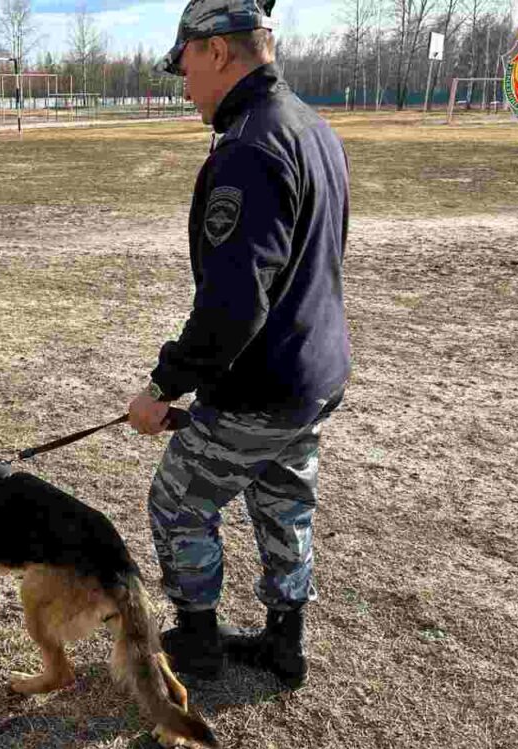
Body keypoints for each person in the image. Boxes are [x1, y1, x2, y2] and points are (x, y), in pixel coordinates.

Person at [127, 0, 351, 688]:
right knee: (285, 501)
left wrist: (164, 386)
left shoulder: (249, 147)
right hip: (312, 373)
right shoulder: (310, 126)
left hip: (263, 385)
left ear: (218, 52)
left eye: (185, 66)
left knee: (177, 502)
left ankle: (197, 643)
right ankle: (286, 642)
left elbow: (233, 304)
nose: (184, 85)